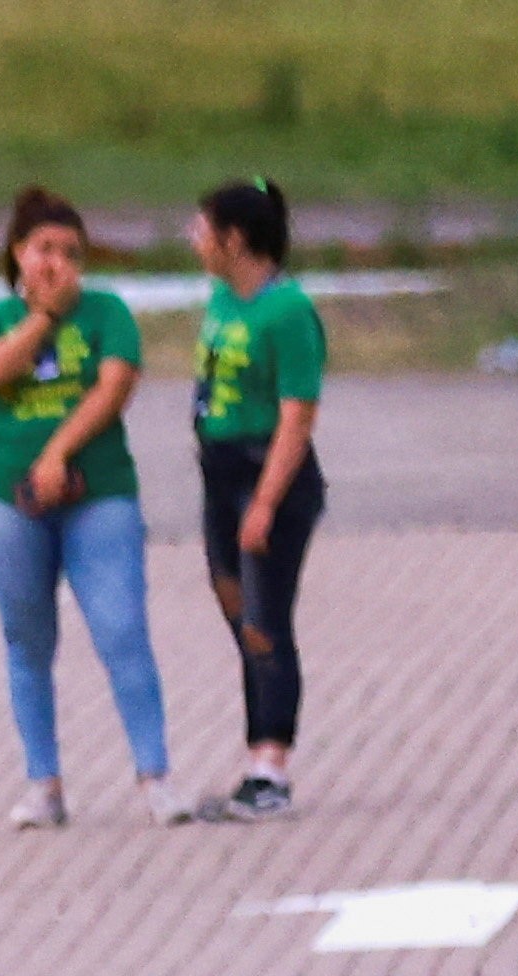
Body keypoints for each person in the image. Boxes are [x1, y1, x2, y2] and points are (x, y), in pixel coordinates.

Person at [0, 188, 187, 830]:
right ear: (18, 254)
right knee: (28, 639)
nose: (57, 264)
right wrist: (42, 318)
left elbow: (114, 387)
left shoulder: (108, 313)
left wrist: (58, 453)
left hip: (97, 492)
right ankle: (44, 782)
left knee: (121, 629)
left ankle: (155, 774)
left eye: (70, 253)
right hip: (8, 499)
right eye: (44, 250)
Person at [184, 182, 330, 824]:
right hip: (219, 474)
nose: (193, 239)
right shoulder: (221, 298)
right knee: (239, 617)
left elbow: (297, 415)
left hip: (267, 474)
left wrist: (265, 503)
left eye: (203, 228)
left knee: (266, 622)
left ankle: (271, 768)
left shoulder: (288, 311)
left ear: (235, 239)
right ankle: (252, 760)